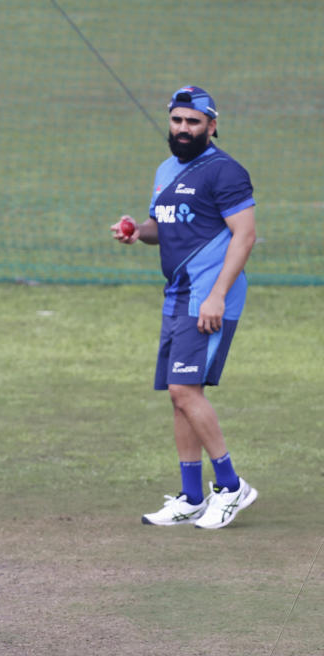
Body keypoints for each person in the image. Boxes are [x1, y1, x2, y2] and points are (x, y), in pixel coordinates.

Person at [111, 85, 258, 530]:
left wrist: (216, 294)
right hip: (178, 294)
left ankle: (231, 487)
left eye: (193, 122)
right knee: (178, 397)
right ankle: (192, 497)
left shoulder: (225, 172)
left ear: (211, 126)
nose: (183, 128)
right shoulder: (166, 169)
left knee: (184, 392)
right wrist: (139, 231)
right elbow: (164, 226)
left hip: (209, 297)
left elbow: (245, 234)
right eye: (177, 120)